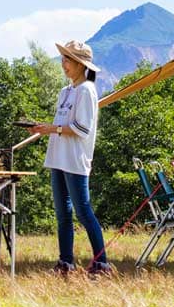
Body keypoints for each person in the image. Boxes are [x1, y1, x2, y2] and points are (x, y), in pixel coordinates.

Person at [26, 40, 113, 277]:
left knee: (83, 211)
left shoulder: (87, 90)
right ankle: (65, 263)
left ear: (80, 64)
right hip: (58, 158)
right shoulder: (65, 91)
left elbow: (82, 128)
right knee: (62, 213)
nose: (63, 64)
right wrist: (44, 128)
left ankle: (101, 263)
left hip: (75, 159)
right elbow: (63, 124)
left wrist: (51, 129)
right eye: (63, 59)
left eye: (68, 60)